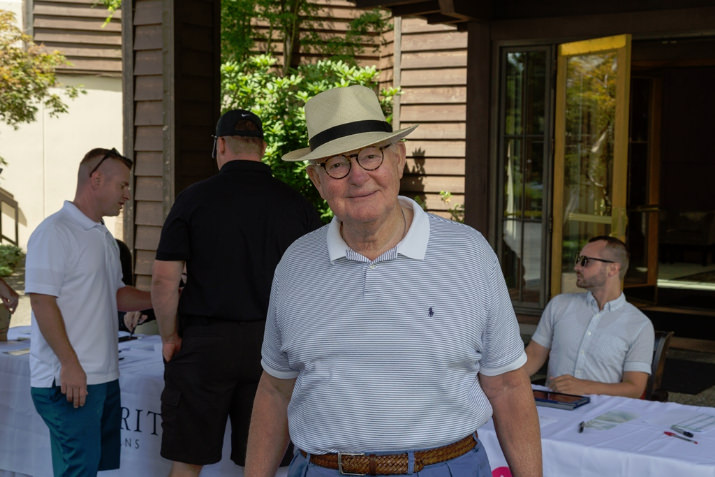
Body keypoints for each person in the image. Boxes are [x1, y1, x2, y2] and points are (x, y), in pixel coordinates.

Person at [244, 85, 542, 477]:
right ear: (317, 180)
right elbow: (276, 389)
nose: (358, 176)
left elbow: (507, 386)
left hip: (444, 469)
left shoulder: (468, 253)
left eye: (370, 156)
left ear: (398, 159)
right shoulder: (296, 263)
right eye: (336, 164)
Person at [152, 109, 322, 476]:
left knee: (187, 461)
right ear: (262, 147)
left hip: (204, 343)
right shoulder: (296, 205)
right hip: (274, 346)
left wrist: (169, 336)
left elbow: (164, 281)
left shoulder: (193, 199)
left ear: (221, 145)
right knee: (266, 463)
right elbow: (319, 282)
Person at [25, 147, 153, 476]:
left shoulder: (102, 236)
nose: (127, 195)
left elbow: (116, 296)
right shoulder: (55, 232)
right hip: (69, 379)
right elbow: (41, 301)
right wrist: (69, 364)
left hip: (102, 375)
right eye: (122, 186)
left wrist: (164, 297)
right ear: (96, 180)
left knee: (88, 468)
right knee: (79, 470)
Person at [524, 236, 654, 398]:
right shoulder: (559, 305)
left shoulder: (639, 325)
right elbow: (534, 355)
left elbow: (634, 388)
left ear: (613, 269)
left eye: (586, 261)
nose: (577, 267)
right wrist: (501, 382)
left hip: (602, 414)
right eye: (578, 260)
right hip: (555, 406)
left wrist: (585, 387)